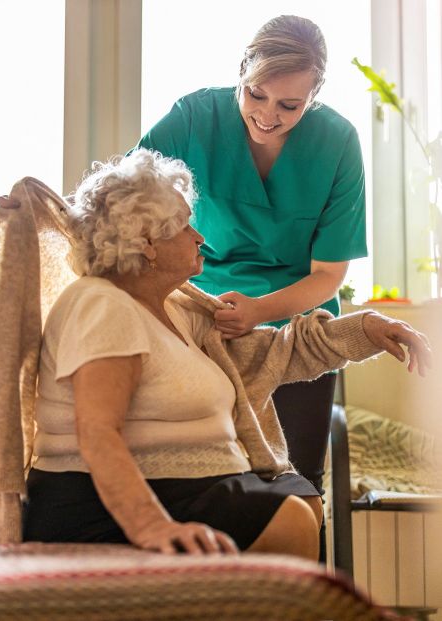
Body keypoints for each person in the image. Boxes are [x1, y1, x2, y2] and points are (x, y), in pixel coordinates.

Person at [22, 149, 431, 559]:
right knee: (288, 519)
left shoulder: (180, 311)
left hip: (186, 485)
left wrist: (369, 329)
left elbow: (278, 352)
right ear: (147, 242)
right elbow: (97, 431)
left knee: (302, 502)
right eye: (184, 225)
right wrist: (151, 525)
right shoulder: (102, 304)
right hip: (95, 501)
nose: (198, 237)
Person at [133, 16, 366, 545]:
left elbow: (329, 274)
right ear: (240, 73)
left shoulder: (338, 143)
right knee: (206, 479)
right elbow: (122, 197)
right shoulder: (195, 116)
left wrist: (260, 312)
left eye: (289, 105)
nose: (267, 115)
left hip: (291, 325)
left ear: (315, 95)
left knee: (298, 483)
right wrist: (40, 209)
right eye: (255, 94)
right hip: (198, 318)